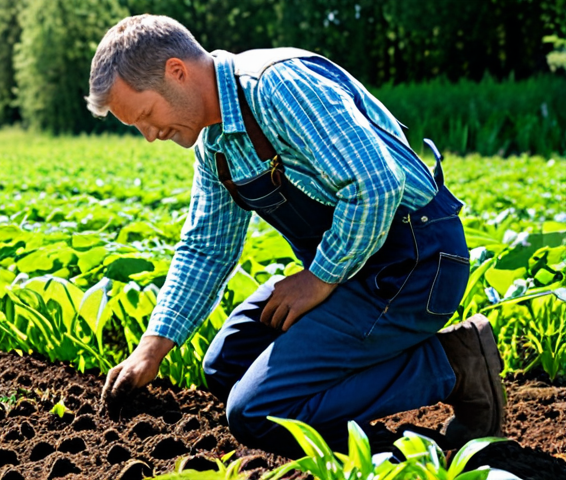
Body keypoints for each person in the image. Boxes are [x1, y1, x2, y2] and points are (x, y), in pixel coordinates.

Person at [86, 14, 506, 457]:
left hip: (413, 263)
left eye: (147, 115)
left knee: (254, 412)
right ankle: (356, 415)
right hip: (354, 268)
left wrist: (319, 278)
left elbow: (376, 183)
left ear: (176, 71)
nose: (150, 136)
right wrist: (152, 348)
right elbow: (206, 248)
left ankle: (453, 366)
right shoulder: (215, 146)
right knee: (227, 367)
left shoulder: (276, 86)